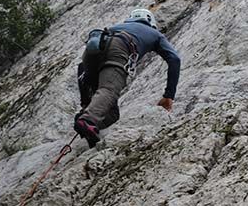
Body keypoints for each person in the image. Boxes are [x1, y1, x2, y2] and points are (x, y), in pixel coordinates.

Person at [74, 8, 181, 147]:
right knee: (109, 90)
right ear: (151, 23)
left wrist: (85, 102)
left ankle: (89, 123)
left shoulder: (116, 27)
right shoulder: (155, 34)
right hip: (120, 48)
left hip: (93, 50)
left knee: (112, 114)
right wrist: (169, 95)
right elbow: (175, 59)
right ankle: (88, 121)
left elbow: (82, 67)